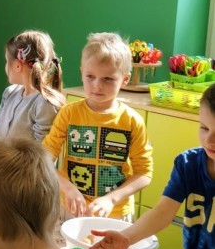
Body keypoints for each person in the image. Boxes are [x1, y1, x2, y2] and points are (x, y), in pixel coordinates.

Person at [91, 82, 215, 249]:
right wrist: (127, 237)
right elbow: (162, 212)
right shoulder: (188, 164)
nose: (210, 140)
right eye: (204, 128)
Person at [42, 32, 152, 219]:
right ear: (82, 73)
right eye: (90, 76)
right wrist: (67, 187)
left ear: (125, 79)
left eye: (107, 79)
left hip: (115, 214)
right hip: (72, 210)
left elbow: (144, 173)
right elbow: (43, 158)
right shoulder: (69, 113)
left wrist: (111, 199)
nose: (97, 85)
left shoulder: (132, 121)